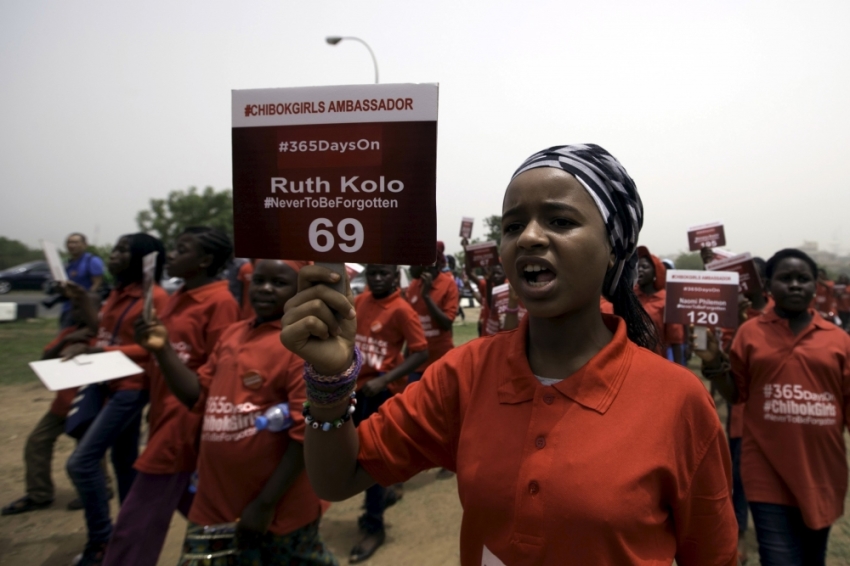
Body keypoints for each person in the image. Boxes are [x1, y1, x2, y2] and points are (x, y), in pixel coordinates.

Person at [280, 144, 738, 565]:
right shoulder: (464, 374)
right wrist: (329, 379)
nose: (529, 238)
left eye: (560, 221)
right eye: (514, 225)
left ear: (614, 248)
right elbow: (337, 478)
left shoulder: (677, 401)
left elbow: (713, 556)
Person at [135, 259, 336, 565]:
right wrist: (163, 350)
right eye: (259, 280)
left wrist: (265, 505)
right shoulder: (232, 335)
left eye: (279, 283)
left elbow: (305, 435)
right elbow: (197, 397)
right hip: (215, 503)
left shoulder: (302, 347)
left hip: (279, 510)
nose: (265, 289)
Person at [696, 248, 850, 566]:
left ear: (815, 286)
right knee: (779, 559)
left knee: (812, 558)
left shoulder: (839, 340)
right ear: (768, 285)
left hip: (821, 470)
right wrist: (713, 364)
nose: (795, 285)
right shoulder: (750, 333)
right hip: (765, 468)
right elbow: (737, 393)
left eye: (803, 279)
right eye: (785, 278)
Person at [101, 228, 240, 566]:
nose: (172, 256)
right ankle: (248, 546)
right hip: (164, 413)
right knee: (197, 504)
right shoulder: (176, 297)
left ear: (205, 261)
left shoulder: (220, 303)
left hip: (183, 425)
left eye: (181, 249)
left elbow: (219, 374)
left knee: (135, 523)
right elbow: (159, 358)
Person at [62, 233, 169, 566]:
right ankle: (129, 538)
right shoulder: (118, 293)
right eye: (115, 248)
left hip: (131, 389)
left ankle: (102, 542)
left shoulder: (158, 298)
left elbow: (153, 346)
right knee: (124, 465)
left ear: (141, 258)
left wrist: (101, 349)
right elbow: (104, 331)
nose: (113, 255)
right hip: (105, 384)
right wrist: (84, 326)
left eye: (123, 250)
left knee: (81, 463)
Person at [349, 264, 428, 563]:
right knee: (346, 452)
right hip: (353, 389)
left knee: (372, 459)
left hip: (381, 392)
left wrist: (384, 379)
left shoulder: (402, 310)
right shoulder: (360, 302)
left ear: (396, 277)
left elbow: (421, 352)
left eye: (385, 274)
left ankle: (374, 525)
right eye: (373, 274)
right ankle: (381, 498)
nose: (378, 279)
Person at [1, 284, 99, 516]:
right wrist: (66, 341)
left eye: (82, 306)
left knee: (88, 452)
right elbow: (45, 360)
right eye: (74, 307)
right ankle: (39, 494)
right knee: (37, 442)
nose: (76, 311)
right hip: (62, 405)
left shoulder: (102, 337)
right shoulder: (69, 333)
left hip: (89, 406)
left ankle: (99, 491)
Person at [405, 241, 459, 383]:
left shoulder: (448, 284)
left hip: (441, 360)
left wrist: (427, 296)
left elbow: (446, 323)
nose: (410, 268)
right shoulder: (413, 285)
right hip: (416, 363)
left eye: (413, 263)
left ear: (427, 264)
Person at [635, 246, 685, 364]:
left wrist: (677, 372)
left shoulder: (667, 300)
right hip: (631, 362)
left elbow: (676, 339)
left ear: (655, 272)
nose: (640, 270)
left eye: (645, 267)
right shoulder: (630, 297)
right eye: (637, 267)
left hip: (656, 362)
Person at [56, 233, 106, 328]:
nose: (71, 245)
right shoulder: (68, 263)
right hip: (68, 307)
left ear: (85, 244)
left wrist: (85, 300)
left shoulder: (92, 261)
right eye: (69, 242)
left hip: (84, 309)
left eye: (75, 242)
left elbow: (97, 283)